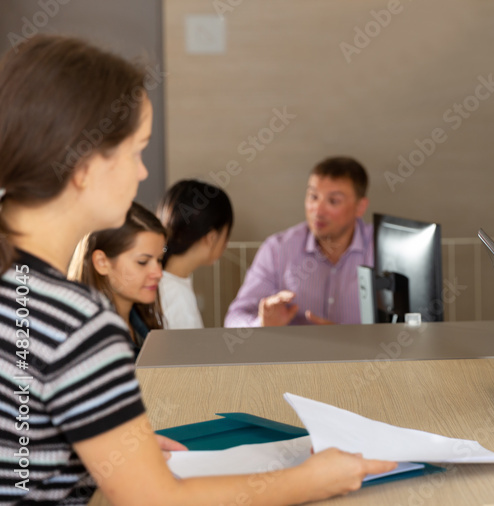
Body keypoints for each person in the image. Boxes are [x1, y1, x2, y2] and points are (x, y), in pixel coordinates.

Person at [0, 35, 394, 504]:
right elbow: (157, 500)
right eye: (136, 151)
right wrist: (311, 480)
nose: (143, 173)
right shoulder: (78, 322)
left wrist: (99, 450)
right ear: (85, 164)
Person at [224, 156, 373, 327]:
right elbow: (234, 319)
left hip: (360, 353)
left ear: (360, 207)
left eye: (333, 201)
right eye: (313, 196)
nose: (317, 209)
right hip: (292, 353)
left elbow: (404, 327)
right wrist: (262, 324)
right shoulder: (277, 249)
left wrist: (345, 338)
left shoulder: (382, 250)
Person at [68, 202, 167, 350]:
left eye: (159, 260)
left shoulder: (141, 323)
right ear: (102, 262)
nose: (158, 273)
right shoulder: (89, 339)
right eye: (143, 262)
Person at [156, 179, 234, 329]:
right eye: (226, 234)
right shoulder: (177, 295)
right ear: (212, 238)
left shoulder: (165, 283)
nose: (226, 244)